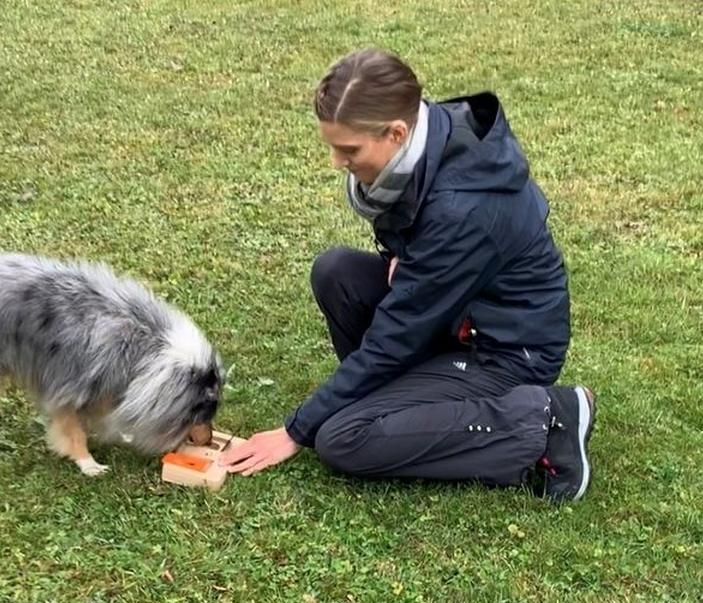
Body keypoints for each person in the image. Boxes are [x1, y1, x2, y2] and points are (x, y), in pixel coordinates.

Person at [220, 48, 596, 501]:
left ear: (396, 132)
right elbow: (421, 249)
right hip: (461, 314)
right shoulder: (427, 139)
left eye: (349, 149)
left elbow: (396, 334)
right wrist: (414, 257)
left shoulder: (461, 207)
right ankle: (402, 405)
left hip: (507, 352)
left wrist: (296, 429)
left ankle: (548, 417)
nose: (337, 162)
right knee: (336, 272)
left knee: (342, 437)